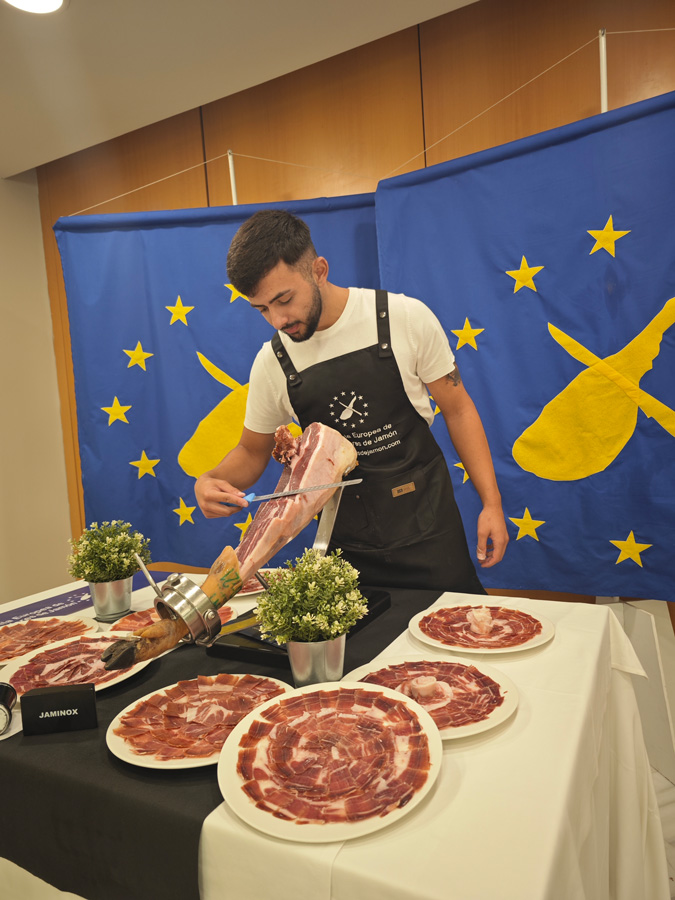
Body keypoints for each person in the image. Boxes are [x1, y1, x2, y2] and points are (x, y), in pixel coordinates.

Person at [195, 209, 508, 592]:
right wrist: (211, 480)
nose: (277, 319)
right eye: (262, 309)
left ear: (319, 270)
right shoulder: (273, 362)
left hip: (430, 533)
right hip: (345, 552)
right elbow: (251, 450)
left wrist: (491, 503)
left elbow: (459, 410)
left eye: (284, 299)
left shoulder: (403, 318)